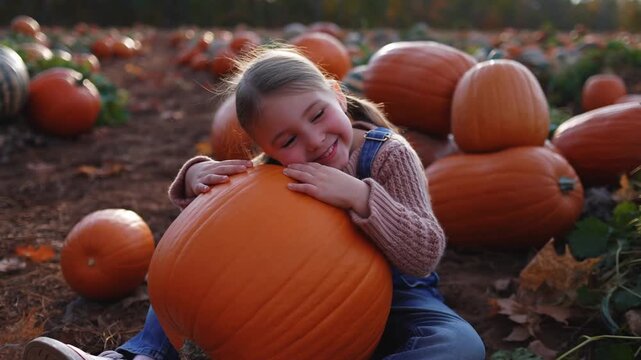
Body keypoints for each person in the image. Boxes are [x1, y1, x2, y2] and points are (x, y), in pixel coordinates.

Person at [23, 47, 485, 360]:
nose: (315, 140)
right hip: (294, 304)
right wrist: (197, 177)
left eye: (319, 115)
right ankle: (136, 356)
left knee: (458, 343)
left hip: (397, 297)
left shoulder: (387, 156)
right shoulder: (273, 168)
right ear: (264, 146)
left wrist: (361, 196)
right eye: (287, 139)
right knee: (190, 286)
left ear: (338, 96)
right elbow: (218, 240)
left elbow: (423, 253)